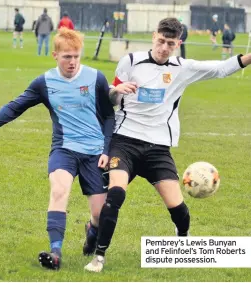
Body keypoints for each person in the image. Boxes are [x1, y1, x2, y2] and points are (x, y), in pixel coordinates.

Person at [84, 17, 251, 272]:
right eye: (161, 41)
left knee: (180, 211)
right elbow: (110, 101)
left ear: (178, 43)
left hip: (157, 148)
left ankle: (181, 244)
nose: (164, 47)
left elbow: (220, 68)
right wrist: (118, 91)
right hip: (124, 141)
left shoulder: (183, 68)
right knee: (115, 195)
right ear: (154, 36)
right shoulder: (130, 61)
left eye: (170, 43)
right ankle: (99, 257)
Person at [0, 27, 115, 270]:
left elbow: (109, 117)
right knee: (59, 191)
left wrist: (106, 149)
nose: (72, 62)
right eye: (66, 57)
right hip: (64, 149)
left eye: (76, 56)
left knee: (99, 214)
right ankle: (55, 252)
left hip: (94, 152)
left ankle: (91, 232)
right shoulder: (45, 82)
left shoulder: (95, 78)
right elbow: (16, 106)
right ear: (55, 55)